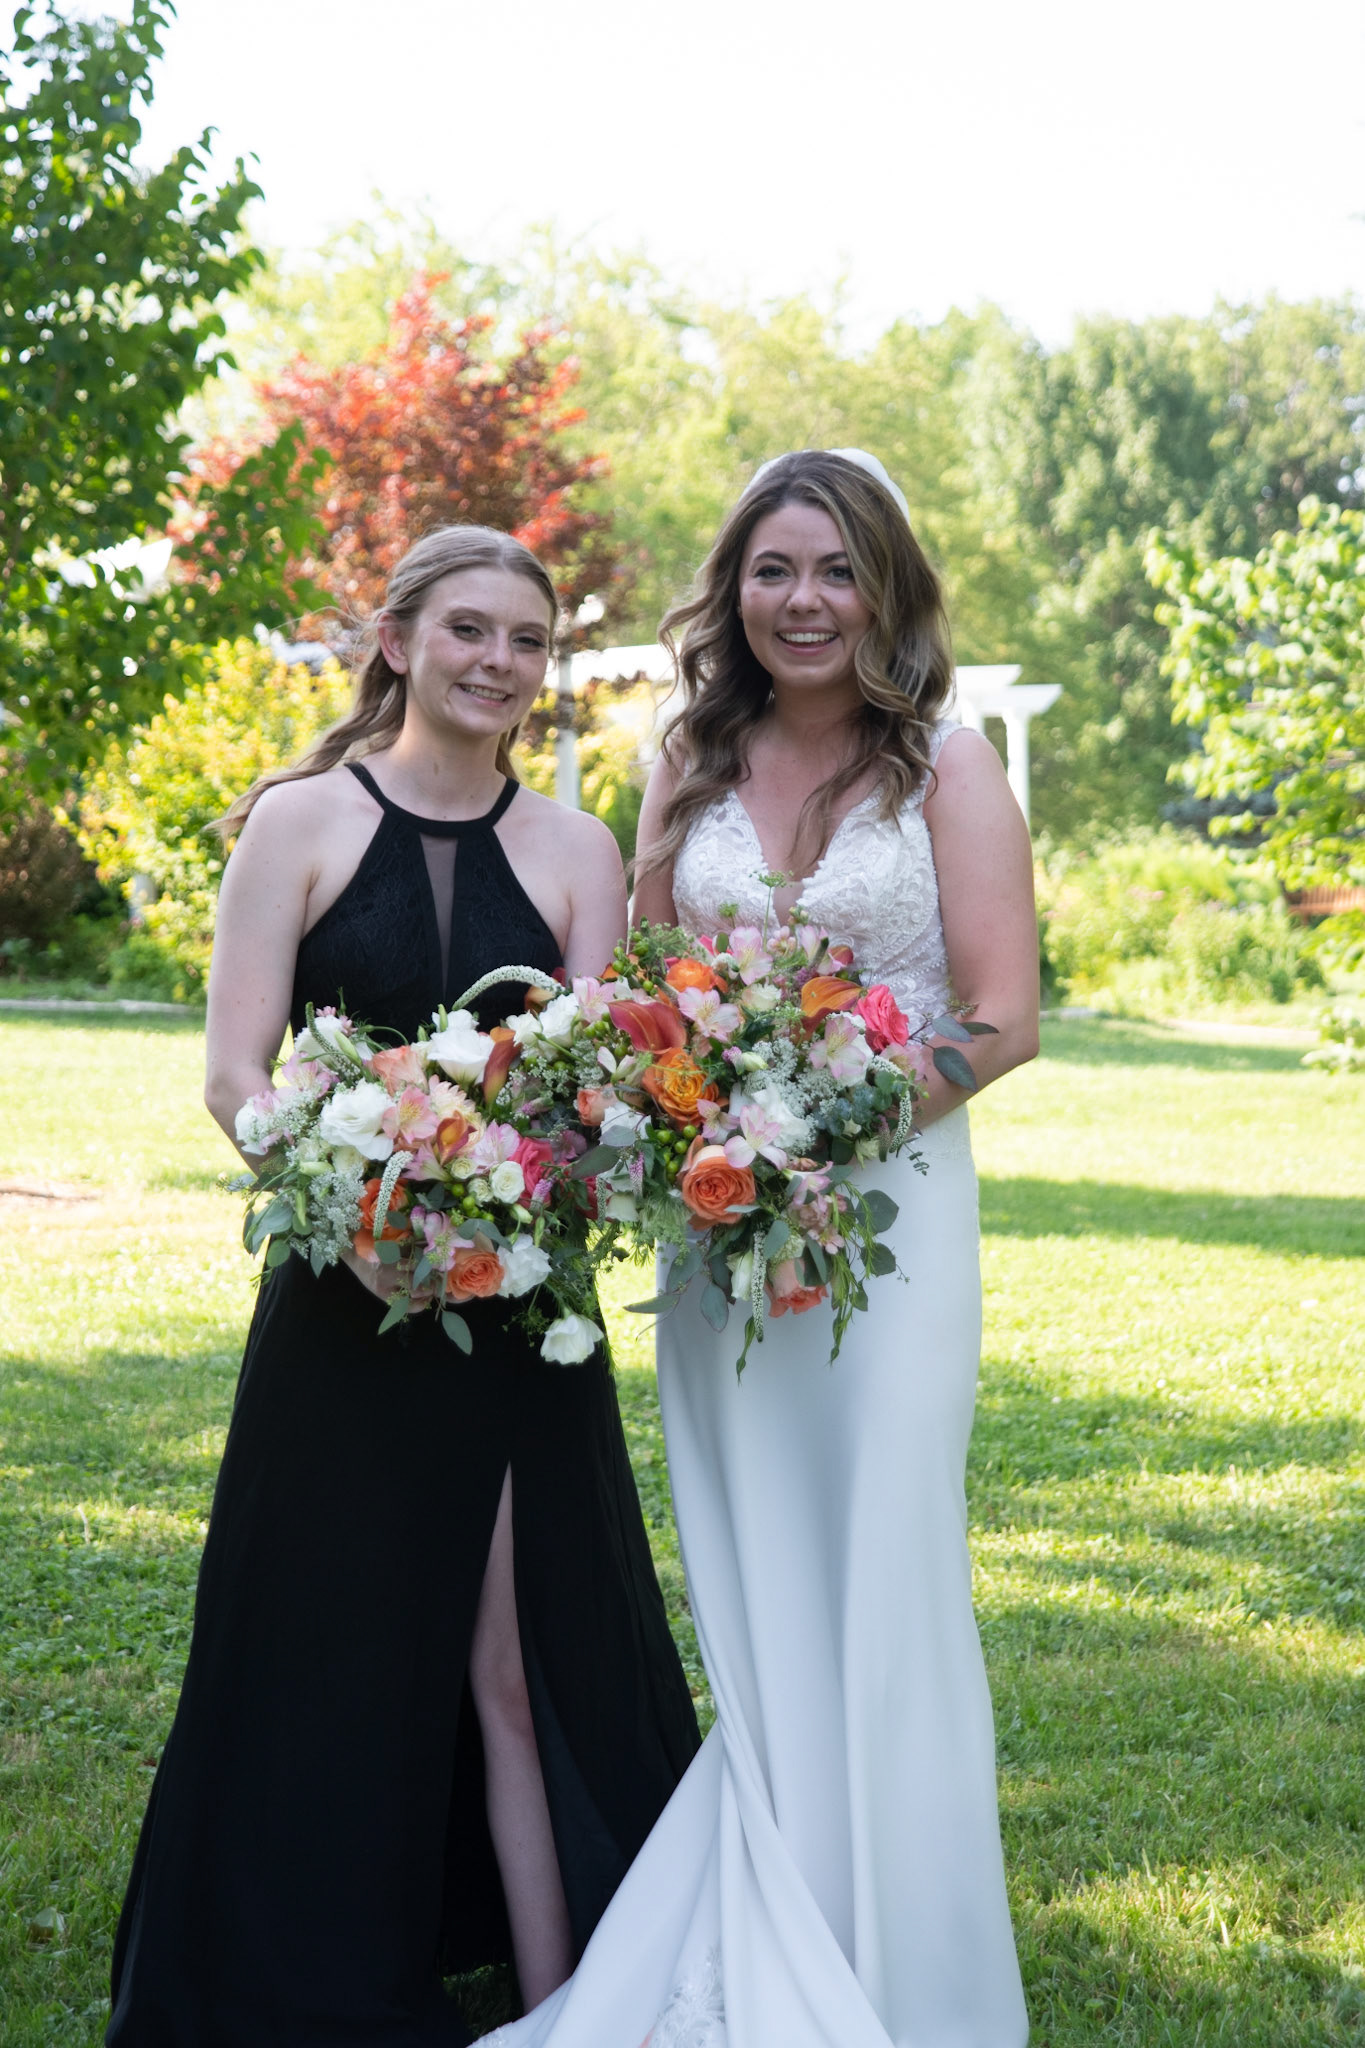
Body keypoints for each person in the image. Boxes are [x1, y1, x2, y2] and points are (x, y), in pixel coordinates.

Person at [106, 525, 700, 2047]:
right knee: (326, 1636)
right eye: (468, 630)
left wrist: (512, 1201)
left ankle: (560, 2001)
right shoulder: (298, 822)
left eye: (527, 639)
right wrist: (348, 1208)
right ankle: (305, 1961)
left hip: (515, 1311)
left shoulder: (576, 851)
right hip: (341, 1299)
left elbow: (592, 1094)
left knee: (511, 1657)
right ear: (398, 641)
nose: (499, 662)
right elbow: (235, 1073)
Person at [479, 451, 1037, 2048]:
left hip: (886, 1231)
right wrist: (706, 1135)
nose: (804, 601)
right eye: (773, 570)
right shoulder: (686, 759)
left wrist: (817, 1135)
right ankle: (770, 1913)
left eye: (836, 570)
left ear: (885, 588)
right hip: (721, 1232)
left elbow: (1002, 1016)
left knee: (884, 1561)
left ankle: (903, 1966)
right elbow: (648, 988)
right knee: (751, 1571)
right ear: (731, 591)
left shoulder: (946, 768)